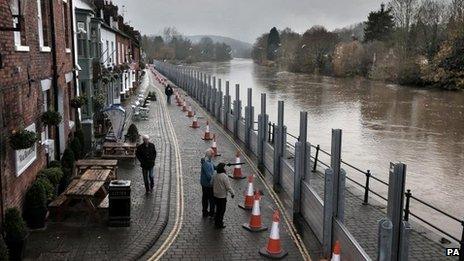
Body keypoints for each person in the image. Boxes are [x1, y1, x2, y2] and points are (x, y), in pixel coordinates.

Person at [212, 163, 235, 229]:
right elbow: (228, 187)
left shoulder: (215, 175)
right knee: (222, 210)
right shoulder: (224, 176)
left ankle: (216, 222)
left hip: (215, 195)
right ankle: (219, 224)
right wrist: (232, 193)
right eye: (225, 167)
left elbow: (211, 183)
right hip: (222, 197)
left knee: (218, 209)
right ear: (223, 169)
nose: (225, 169)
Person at [200, 149, 216, 218]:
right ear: (211, 155)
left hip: (205, 184)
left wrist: (221, 166)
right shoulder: (207, 164)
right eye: (213, 154)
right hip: (208, 185)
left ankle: (205, 211)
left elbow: (214, 167)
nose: (214, 155)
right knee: (211, 199)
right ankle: (211, 213)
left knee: (205, 198)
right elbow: (209, 175)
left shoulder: (209, 162)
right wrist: (214, 181)